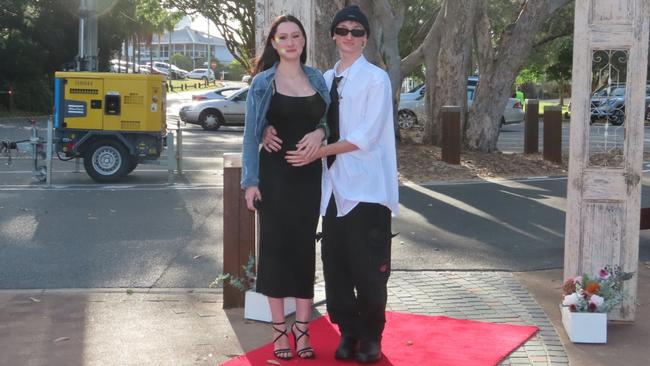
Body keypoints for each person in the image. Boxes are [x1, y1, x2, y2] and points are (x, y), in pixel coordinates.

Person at [284, 5, 399, 364]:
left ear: (366, 38)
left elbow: (365, 136)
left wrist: (320, 151)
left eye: (357, 32)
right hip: (332, 190)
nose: (350, 37)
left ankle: (371, 335)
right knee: (336, 267)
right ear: (333, 35)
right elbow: (311, 119)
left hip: (366, 190)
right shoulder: (324, 80)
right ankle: (348, 331)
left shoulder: (376, 79)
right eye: (343, 30)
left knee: (369, 269)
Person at [240, 14, 330, 361]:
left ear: (303, 41)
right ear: (274, 43)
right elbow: (251, 134)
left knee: (304, 252)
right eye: (283, 37)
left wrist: (320, 133)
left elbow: (331, 120)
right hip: (274, 178)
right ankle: (280, 334)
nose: (290, 42)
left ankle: (303, 332)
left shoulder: (318, 79)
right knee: (275, 253)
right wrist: (251, 183)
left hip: (309, 179)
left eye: (296, 36)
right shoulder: (262, 83)